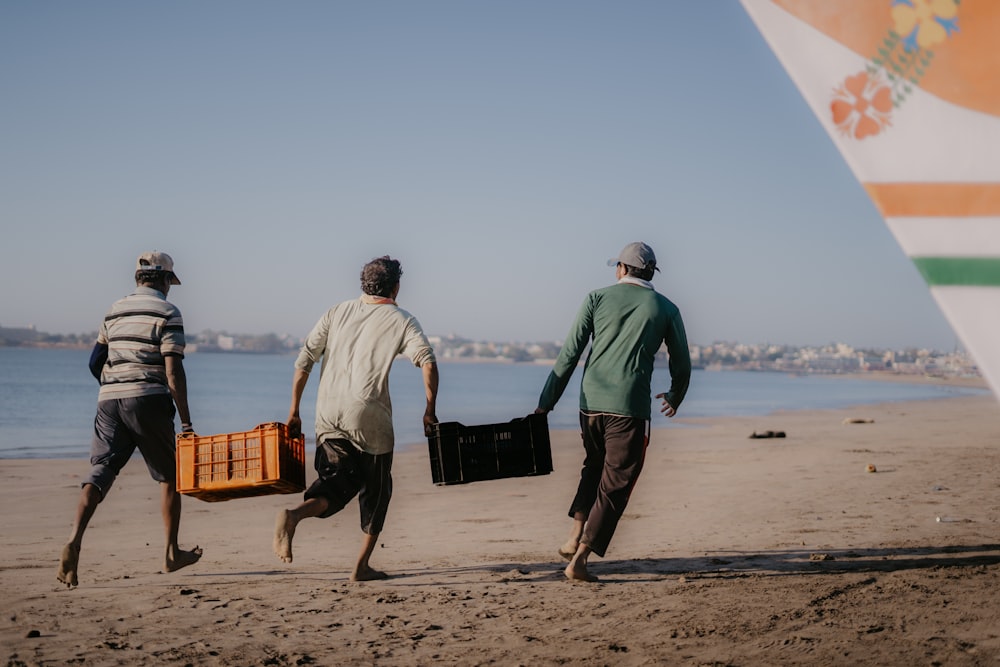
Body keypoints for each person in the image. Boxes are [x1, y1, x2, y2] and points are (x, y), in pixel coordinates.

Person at [273, 255, 439, 581]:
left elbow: (304, 361)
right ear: (396, 286)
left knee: (338, 482)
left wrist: (294, 411)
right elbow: (428, 362)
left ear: (363, 284)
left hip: (327, 413)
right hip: (369, 416)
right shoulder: (403, 319)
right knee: (377, 491)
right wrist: (429, 409)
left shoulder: (336, 312)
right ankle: (361, 566)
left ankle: (294, 516)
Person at [536, 242, 691, 582]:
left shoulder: (596, 298)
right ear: (650, 273)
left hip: (589, 405)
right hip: (629, 408)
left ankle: (574, 534)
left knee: (594, 466)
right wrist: (676, 395)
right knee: (616, 481)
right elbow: (682, 361)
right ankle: (580, 558)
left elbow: (569, 355)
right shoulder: (666, 308)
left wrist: (545, 402)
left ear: (621, 269)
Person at [57, 251, 202, 588]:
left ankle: (75, 539)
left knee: (101, 470)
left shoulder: (114, 310)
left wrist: (113, 385)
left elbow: (96, 361)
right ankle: (170, 553)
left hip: (108, 399)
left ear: (138, 279)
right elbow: (173, 370)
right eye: (170, 281)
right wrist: (186, 422)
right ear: (165, 280)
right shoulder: (168, 311)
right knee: (169, 476)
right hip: (149, 399)